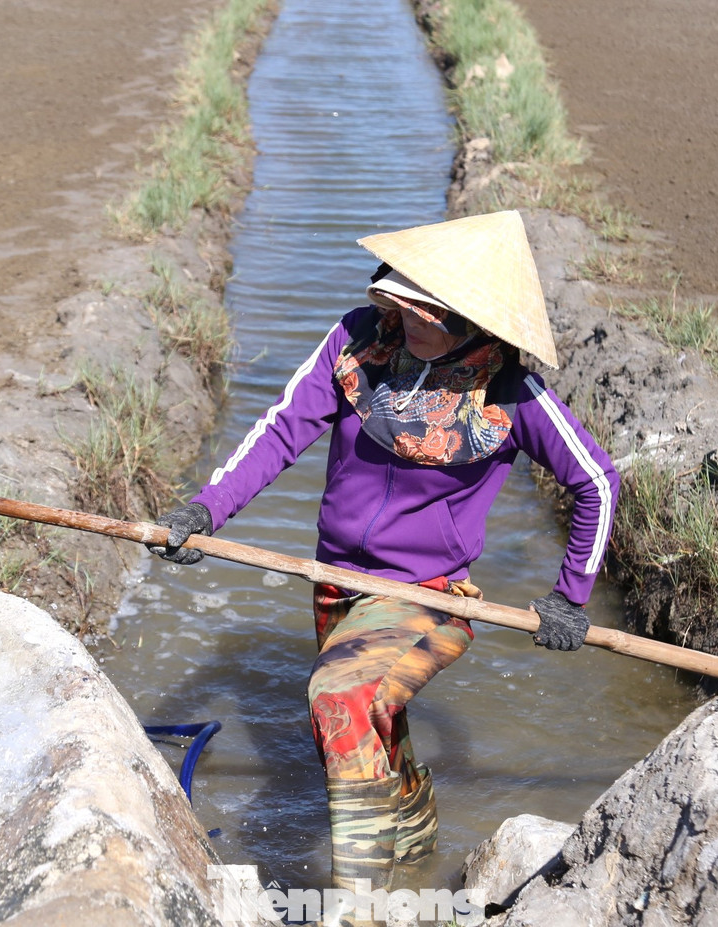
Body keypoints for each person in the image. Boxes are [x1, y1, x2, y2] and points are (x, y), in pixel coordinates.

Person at [148, 210, 618, 910]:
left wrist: (569, 594)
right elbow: (280, 431)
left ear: (471, 323)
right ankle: (419, 835)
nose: (403, 316)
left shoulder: (512, 395)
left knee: (340, 699)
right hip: (336, 581)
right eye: (398, 300)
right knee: (360, 725)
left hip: (430, 594)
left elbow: (597, 482)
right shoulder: (355, 346)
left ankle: (358, 909)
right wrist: (206, 509)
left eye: (423, 310)